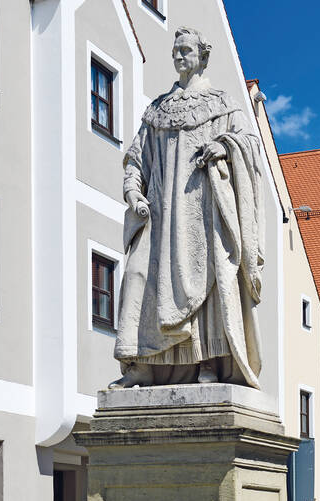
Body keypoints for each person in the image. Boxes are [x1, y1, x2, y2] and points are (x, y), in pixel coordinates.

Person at [110, 26, 265, 388]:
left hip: (202, 214)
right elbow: (136, 160)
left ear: (202, 57)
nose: (179, 56)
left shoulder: (222, 104)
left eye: (186, 51)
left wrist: (226, 146)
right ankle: (143, 364)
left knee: (210, 282)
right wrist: (134, 192)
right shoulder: (157, 111)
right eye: (176, 51)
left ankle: (207, 361)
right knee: (138, 277)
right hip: (160, 217)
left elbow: (251, 147)